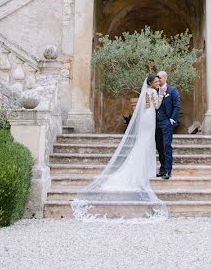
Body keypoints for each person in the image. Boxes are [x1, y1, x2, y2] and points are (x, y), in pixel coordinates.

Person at [71, 74, 167, 222]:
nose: (157, 83)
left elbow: (145, 107)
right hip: (150, 118)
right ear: (150, 83)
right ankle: (147, 169)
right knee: (147, 143)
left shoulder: (145, 92)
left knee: (144, 143)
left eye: (157, 81)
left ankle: (144, 168)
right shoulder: (154, 92)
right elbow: (157, 106)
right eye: (155, 81)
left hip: (146, 119)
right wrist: (161, 95)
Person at [155, 70, 181, 179]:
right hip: (156, 123)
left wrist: (172, 119)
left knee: (166, 146)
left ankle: (167, 171)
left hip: (167, 123)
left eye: (160, 78)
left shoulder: (172, 90)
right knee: (159, 147)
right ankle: (162, 169)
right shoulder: (154, 90)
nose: (158, 80)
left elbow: (177, 105)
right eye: (157, 78)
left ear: (165, 78)